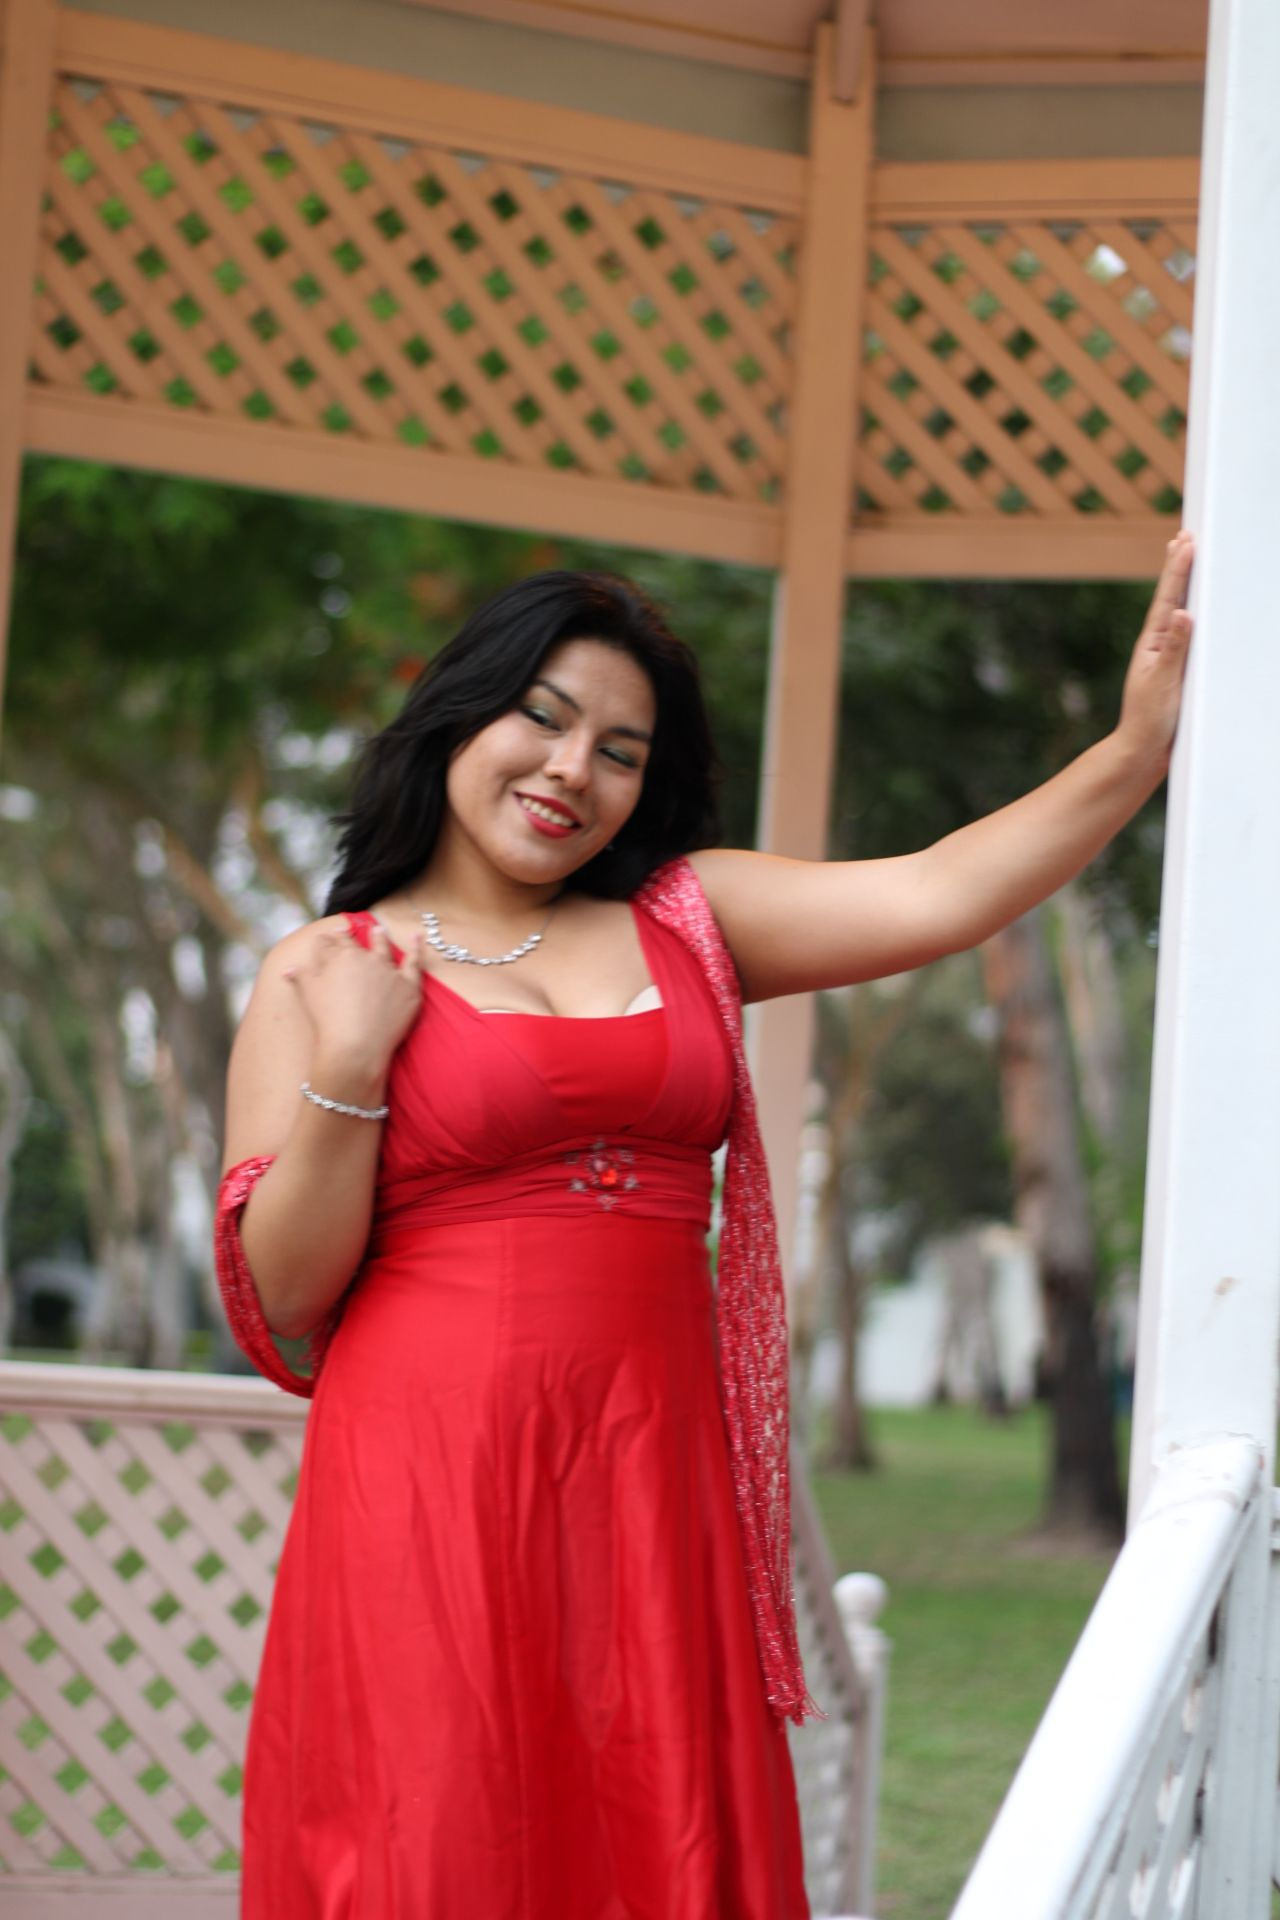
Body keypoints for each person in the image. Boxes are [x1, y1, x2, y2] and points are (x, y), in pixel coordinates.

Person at [217, 537, 1194, 1918]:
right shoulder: (324, 971)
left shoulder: (689, 918)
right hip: (430, 1472)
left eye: (620, 751)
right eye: (544, 718)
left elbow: (939, 890)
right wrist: (354, 1065)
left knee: (656, 1817)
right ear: (459, 717)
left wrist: (1135, 747)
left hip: (651, 1465)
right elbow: (287, 1291)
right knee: (438, 1822)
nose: (572, 771)